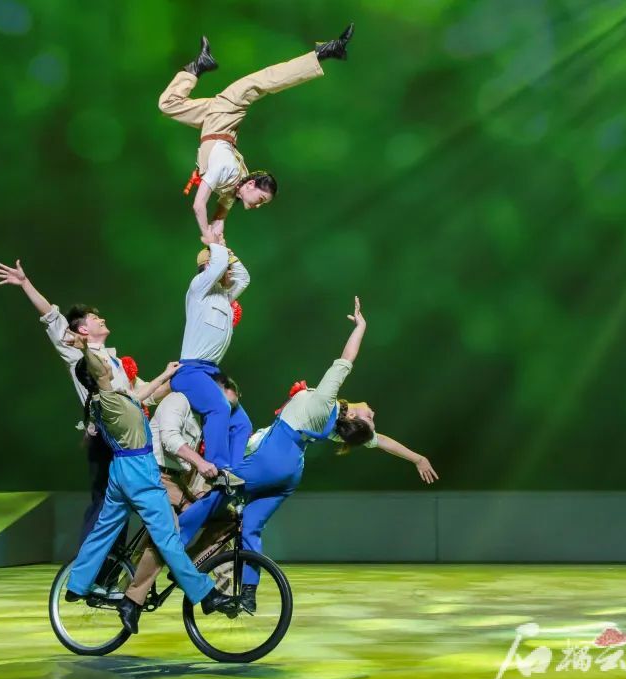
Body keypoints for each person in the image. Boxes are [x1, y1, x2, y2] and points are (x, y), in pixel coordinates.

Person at [176, 297, 438, 613]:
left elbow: (347, 358)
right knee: (252, 526)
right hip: (290, 476)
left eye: (370, 417)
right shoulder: (335, 427)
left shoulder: (326, 401)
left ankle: (174, 546)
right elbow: (381, 442)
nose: (374, 413)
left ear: (355, 417)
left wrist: (360, 327)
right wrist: (417, 458)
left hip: (272, 460)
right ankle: (248, 594)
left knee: (219, 489)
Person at [0, 259, 167, 572]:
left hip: (125, 440)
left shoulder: (115, 363)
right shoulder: (75, 351)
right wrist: (25, 282)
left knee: (120, 506)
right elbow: (51, 316)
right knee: (103, 504)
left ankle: (109, 572)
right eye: (96, 318)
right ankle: (85, 571)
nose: (102, 319)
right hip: (105, 437)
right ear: (83, 328)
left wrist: (185, 376)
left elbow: (146, 394)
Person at [63, 334, 235, 622]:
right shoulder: (109, 397)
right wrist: (84, 349)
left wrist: (166, 375)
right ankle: (205, 594)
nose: (108, 363)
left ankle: (77, 584)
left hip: (121, 471)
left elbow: (142, 396)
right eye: (104, 362)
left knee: (104, 530)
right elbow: (100, 371)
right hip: (139, 471)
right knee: (168, 537)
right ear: (98, 373)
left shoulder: (108, 399)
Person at [158, 24, 355, 237]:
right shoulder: (227, 170)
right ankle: (324, 52)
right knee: (262, 81)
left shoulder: (234, 187)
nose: (258, 205)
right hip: (225, 113)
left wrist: (218, 223)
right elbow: (199, 205)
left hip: (214, 122)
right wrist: (208, 233)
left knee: (168, 104)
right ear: (251, 184)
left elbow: (225, 203)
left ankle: (198, 65)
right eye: (261, 199)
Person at [117, 373, 245, 633]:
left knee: (226, 518)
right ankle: (132, 600)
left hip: (177, 481)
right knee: (169, 533)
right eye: (223, 402)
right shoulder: (178, 400)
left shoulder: (203, 416)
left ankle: (186, 566)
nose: (223, 410)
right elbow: (170, 439)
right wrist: (201, 464)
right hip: (154, 476)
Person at [170, 229, 252, 479]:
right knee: (219, 407)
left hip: (211, 372)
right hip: (190, 371)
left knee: (242, 423)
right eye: (227, 268)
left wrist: (228, 253)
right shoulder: (199, 289)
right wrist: (216, 245)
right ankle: (219, 470)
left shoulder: (224, 296)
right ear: (209, 267)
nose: (230, 272)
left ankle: (234, 473)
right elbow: (217, 266)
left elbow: (244, 277)